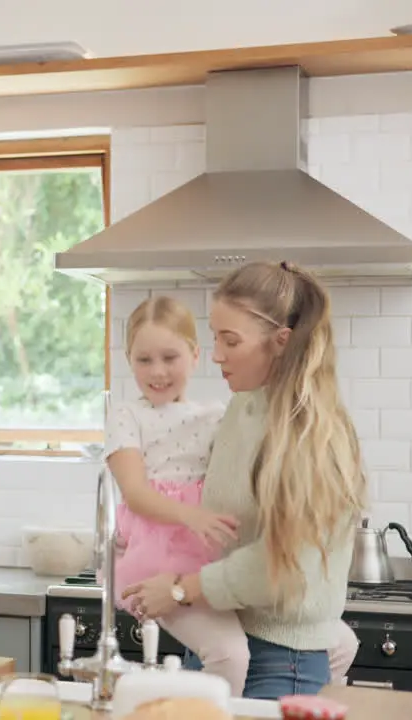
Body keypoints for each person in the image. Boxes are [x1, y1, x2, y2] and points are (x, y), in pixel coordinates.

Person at [122, 261, 367, 700]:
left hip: (281, 664)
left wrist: (180, 588)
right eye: (214, 336)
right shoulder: (240, 409)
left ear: (280, 342)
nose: (215, 354)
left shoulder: (312, 433)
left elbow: (284, 564)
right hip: (225, 641)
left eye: (230, 340)